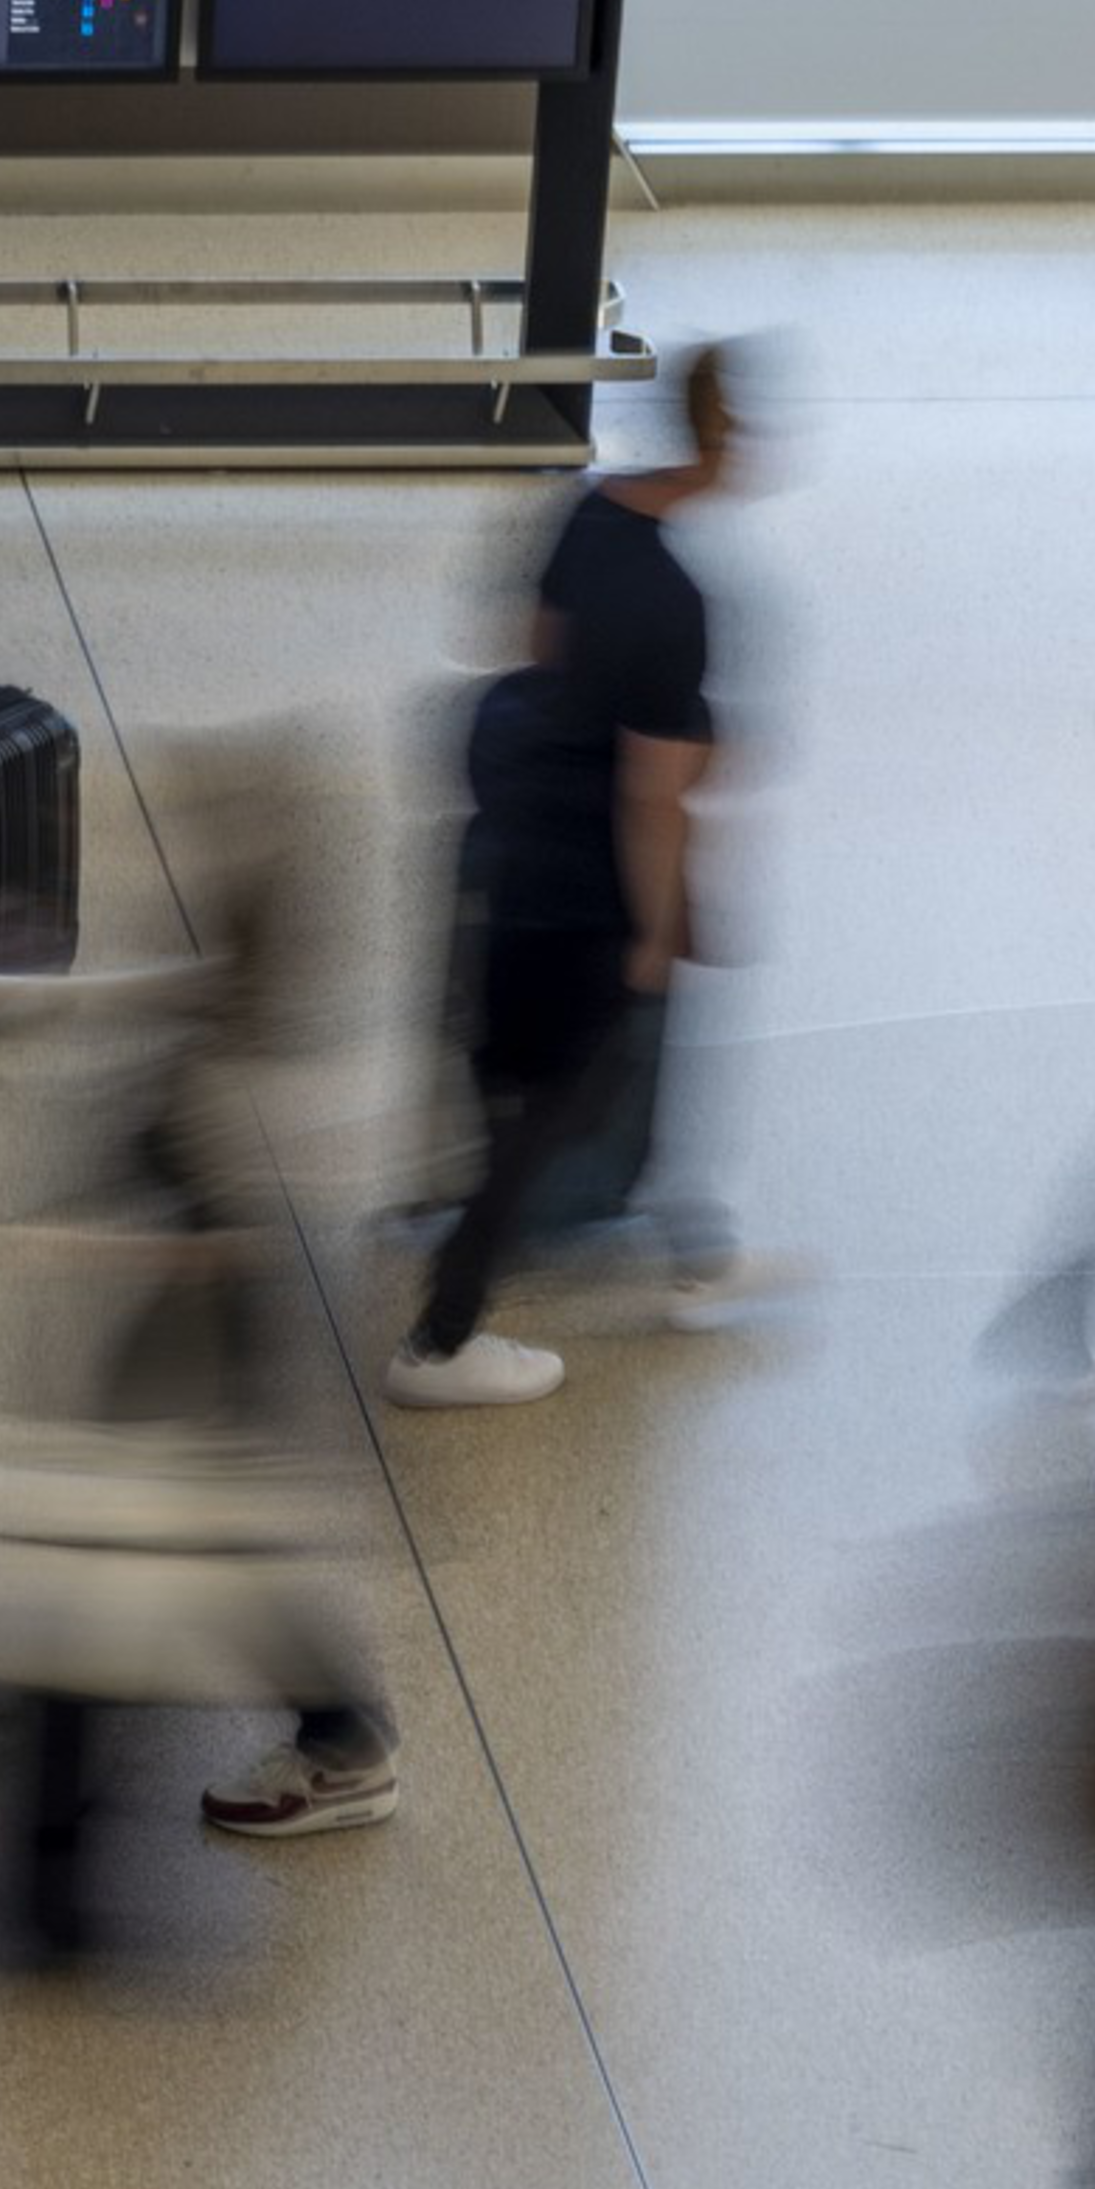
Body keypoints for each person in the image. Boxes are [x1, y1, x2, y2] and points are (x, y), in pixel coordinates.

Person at [386, 340, 774, 1410]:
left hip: (511, 833)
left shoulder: (589, 512)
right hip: (582, 882)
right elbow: (650, 796)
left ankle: (671, 1244)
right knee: (572, 1087)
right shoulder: (679, 605)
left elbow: (536, 649)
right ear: (727, 441)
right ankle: (444, 1332)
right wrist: (657, 930)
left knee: (507, 1062)